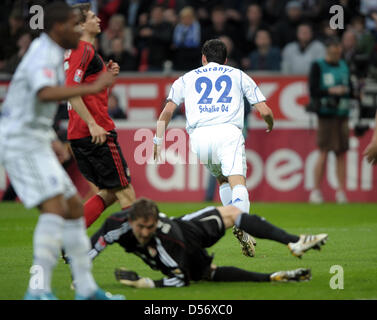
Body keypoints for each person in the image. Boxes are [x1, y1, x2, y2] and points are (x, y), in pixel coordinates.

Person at [0, 2, 124, 300]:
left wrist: (48, 136)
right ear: (59, 28)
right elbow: (45, 92)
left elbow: (33, 99)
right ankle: (37, 290)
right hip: (19, 141)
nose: (78, 29)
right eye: (73, 25)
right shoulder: (44, 52)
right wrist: (93, 88)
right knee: (56, 210)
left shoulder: (53, 51)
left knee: (71, 208)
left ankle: (86, 289)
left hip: (33, 137)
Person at [153, 39, 274, 258]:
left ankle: (238, 224)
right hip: (228, 132)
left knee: (222, 180)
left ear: (203, 58)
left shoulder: (186, 79)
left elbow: (167, 112)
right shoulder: (237, 74)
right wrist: (270, 123)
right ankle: (242, 224)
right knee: (238, 181)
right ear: (226, 60)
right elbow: (264, 110)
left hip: (200, 137)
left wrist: (157, 140)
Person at [88, 198, 328, 288]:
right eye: (141, 226)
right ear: (131, 221)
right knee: (234, 213)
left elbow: (95, 245)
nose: (144, 231)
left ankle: (270, 277)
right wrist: (147, 284)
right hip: (186, 234)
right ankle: (294, 242)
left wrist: (147, 283)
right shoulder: (164, 233)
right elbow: (179, 280)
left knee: (207, 275)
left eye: (149, 227)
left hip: (176, 247)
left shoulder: (118, 224)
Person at [64, 3, 136, 228]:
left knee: (111, 191)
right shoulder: (83, 49)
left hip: (79, 134)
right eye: (93, 17)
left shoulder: (80, 52)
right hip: (96, 132)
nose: (98, 19)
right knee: (126, 193)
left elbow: (87, 89)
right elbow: (72, 90)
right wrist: (93, 124)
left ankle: (70, 236)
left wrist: (107, 75)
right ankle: (151, 246)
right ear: (80, 25)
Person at [308, 37, 353, 204]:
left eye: (338, 51)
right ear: (328, 50)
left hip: (343, 112)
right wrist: (331, 91)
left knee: (341, 151)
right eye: (333, 51)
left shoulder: (343, 65)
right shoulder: (318, 65)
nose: (336, 54)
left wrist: (351, 92)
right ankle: (316, 190)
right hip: (326, 113)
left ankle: (341, 191)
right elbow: (313, 90)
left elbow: (351, 88)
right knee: (324, 150)